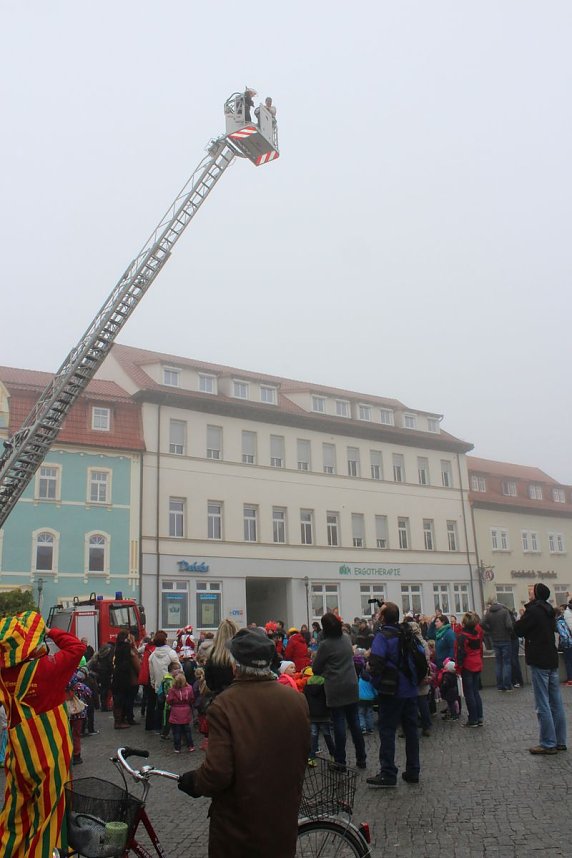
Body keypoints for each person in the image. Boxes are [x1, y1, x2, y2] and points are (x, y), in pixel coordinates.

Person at [177, 627, 309, 858]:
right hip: (282, 816)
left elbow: (218, 772)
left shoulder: (225, 705)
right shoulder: (296, 699)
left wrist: (195, 782)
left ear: (235, 665)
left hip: (240, 825)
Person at [0, 612, 84, 857]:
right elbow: (77, 647)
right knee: (50, 810)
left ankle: (7, 850)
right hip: (49, 753)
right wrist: (49, 631)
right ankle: (44, 852)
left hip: (18, 752)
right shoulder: (48, 668)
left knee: (17, 807)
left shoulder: (4, 674)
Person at [367, 601, 421, 787]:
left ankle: (388, 773)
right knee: (411, 731)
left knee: (387, 731)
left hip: (391, 690)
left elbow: (376, 664)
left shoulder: (383, 636)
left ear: (382, 617)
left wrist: (370, 675)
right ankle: (413, 770)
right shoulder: (406, 633)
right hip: (410, 688)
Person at [514, 583, 567, 754]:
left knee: (543, 702)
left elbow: (519, 630)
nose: (529, 593)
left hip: (539, 658)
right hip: (551, 658)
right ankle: (560, 740)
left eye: (531, 590)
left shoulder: (534, 611)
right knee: (556, 702)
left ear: (537, 594)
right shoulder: (549, 610)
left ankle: (548, 742)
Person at [312, 612, 367, 769]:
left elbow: (316, 668)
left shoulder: (325, 645)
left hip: (335, 687)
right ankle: (361, 758)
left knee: (339, 724)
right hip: (351, 683)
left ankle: (340, 761)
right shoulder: (346, 638)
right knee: (355, 722)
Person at [456, 611, 484, 727]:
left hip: (468, 665)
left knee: (469, 693)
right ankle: (479, 716)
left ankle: (472, 719)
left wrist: (458, 668)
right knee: (475, 691)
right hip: (477, 663)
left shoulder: (463, 637)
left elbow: (461, 653)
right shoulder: (477, 634)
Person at [149, 630, 179, 731]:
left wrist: (153, 683)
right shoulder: (171, 653)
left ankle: (159, 728)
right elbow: (179, 668)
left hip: (160, 685)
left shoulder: (152, 656)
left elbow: (151, 672)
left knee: (160, 707)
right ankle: (173, 727)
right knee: (174, 707)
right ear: (165, 640)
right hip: (173, 684)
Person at [481, 599, 514, 692]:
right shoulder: (504, 612)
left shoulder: (489, 612)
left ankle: (499, 685)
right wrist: (509, 632)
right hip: (505, 639)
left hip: (495, 640)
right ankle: (507, 685)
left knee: (498, 663)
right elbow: (509, 625)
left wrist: (489, 629)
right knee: (506, 663)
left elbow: (482, 623)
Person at [111, 630, 141, 728]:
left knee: (119, 699)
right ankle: (119, 722)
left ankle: (120, 720)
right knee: (123, 699)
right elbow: (136, 664)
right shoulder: (127, 648)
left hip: (118, 675)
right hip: (125, 676)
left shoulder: (117, 648)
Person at [166, 672, 195, 753]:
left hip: (175, 711)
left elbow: (169, 701)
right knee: (187, 731)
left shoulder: (172, 690)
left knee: (176, 732)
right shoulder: (189, 689)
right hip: (186, 711)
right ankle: (191, 746)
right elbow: (192, 698)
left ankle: (177, 748)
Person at [556, 605, 572, 685]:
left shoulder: (559, 622)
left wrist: (563, 644)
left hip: (567, 644)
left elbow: (564, 635)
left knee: (568, 662)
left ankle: (570, 679)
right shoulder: (563, 620)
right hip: (570, 642)